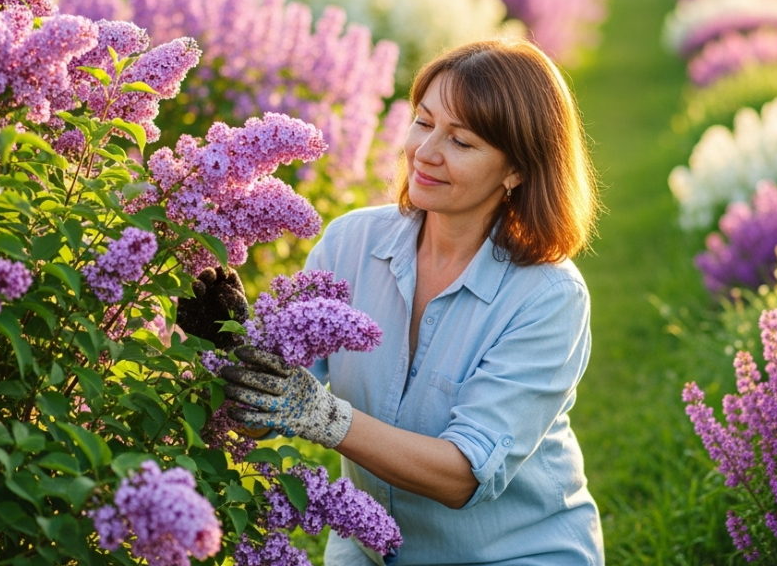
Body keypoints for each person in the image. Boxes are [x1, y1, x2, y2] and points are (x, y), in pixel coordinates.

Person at [221, 38, 603, 565]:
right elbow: (262, 416)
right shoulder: (349, 245)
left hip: (511, 554)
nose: (425, 152)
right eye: (423, 122)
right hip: (370, 551)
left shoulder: (547, 297)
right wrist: (232, 351)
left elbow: (462, 476)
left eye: (461, 142)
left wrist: (324, 417)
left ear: (516, 170)